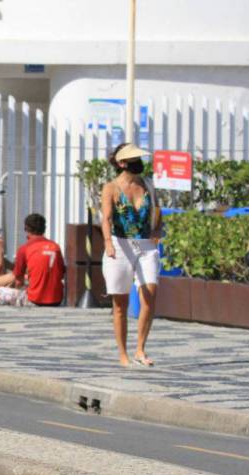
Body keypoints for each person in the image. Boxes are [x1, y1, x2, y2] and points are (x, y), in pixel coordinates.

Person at [101, 143, 162, 367]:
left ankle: (140, 349)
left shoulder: (148, 185)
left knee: (150, 293)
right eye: (134, 159)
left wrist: (157, 231)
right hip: (120, 244)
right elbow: (106, 218)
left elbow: (157, 211)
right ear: (122, 163)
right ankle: (123, 353)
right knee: (120, 302)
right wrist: (108, 243)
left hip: (145, 245)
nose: (139, 163)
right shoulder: (111, 188)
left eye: (139, 158)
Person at [11, 213, 65, 307]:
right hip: (56, 300)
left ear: (26, 229)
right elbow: (61, 272)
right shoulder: (55, 247)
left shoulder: (24, 248)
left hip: (35, 300)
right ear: (44, 229)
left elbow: (18, 280)